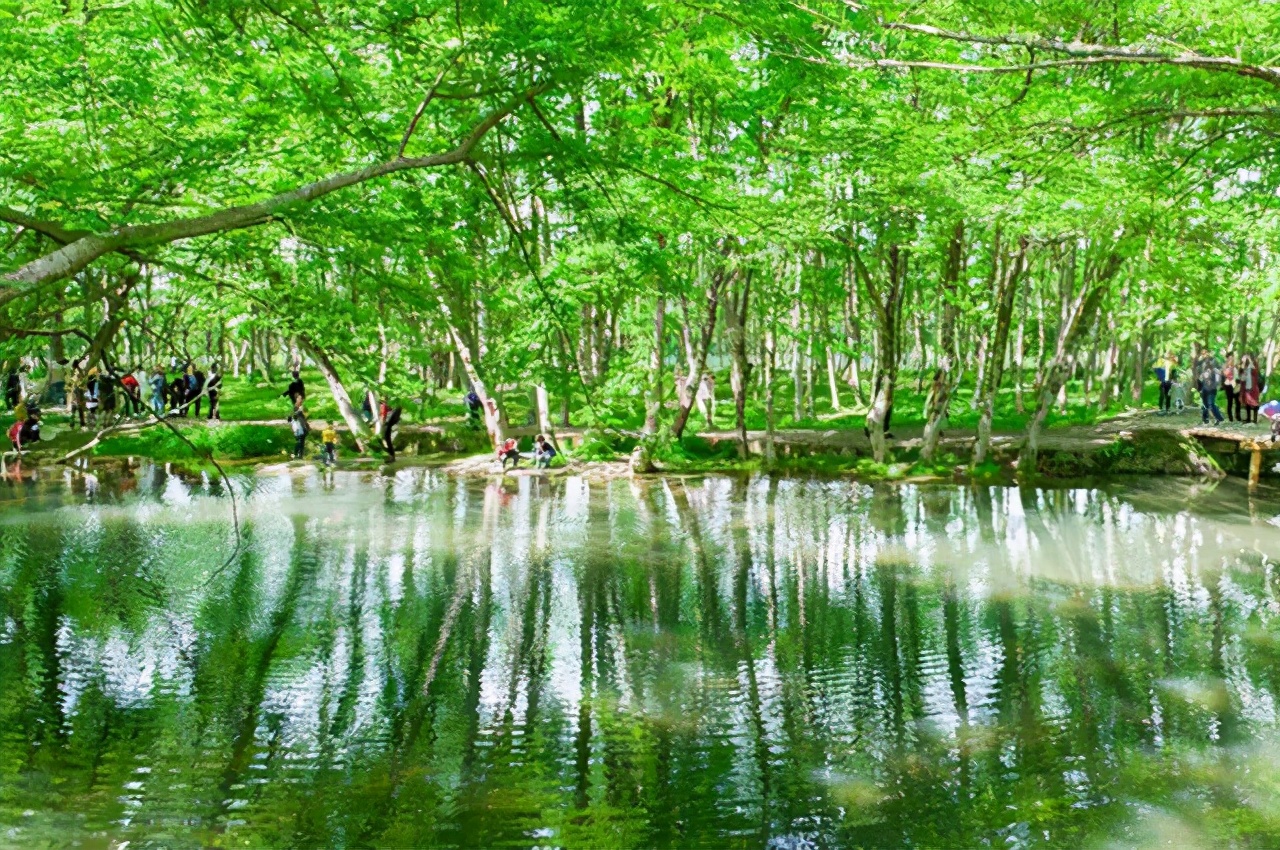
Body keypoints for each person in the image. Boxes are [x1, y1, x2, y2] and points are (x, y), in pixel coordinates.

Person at [1197, 350, 1224, 426]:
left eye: (1205, 353)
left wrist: (1214, 385)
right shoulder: (1201, 364)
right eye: (1203, 354)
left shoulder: (1215, 366)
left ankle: (1219, 418)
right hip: (1204, 389)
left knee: (1211, 404)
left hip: (1212, 389)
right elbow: (1199, 378)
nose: (1205, 355)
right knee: (1205, 405)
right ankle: (1205, 419)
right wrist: (1200, 388)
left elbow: (1218, 378)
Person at [1240, 353, 1262, 425]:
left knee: (1255, 404)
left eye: (1248, 357)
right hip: (1247, 388)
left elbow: (1255, 371)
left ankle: (1255, 420)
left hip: (1254, 388)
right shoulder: (1245, 366)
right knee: (1247, 404)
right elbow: (1242, 378)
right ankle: (1248, 419)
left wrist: (1249, 359)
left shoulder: (1254, 365)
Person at [1222, 353, 1240, 423]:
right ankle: (1230, 418)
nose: (1231, 360)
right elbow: (1225, 374)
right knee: (1230, 402)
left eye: (1232, 358)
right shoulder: (1225, 367)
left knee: (1237, 402)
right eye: (1230, 358)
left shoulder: (1235, 368)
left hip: (1235, 385)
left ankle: (1238, 416)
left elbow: (1237, 376)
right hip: (1228, 385)